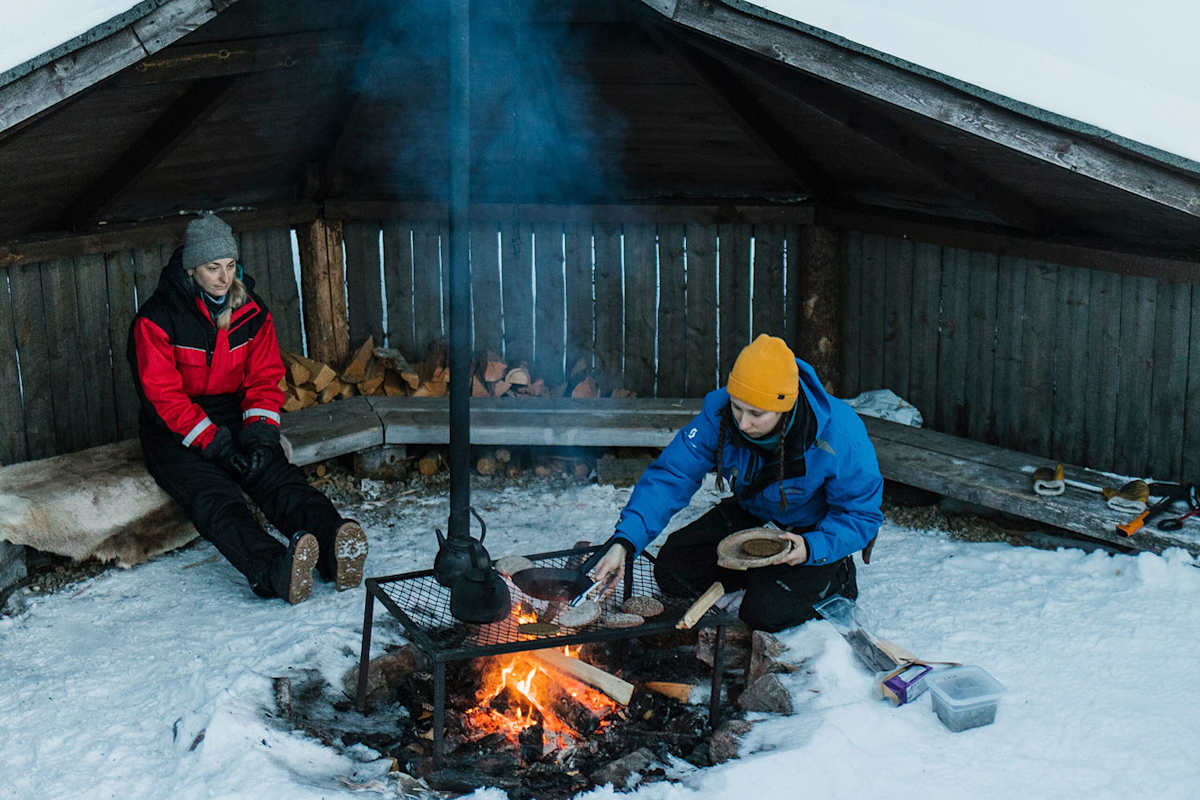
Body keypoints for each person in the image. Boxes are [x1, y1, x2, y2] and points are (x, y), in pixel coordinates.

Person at [128, 212, 368, 604]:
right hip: (173, 428)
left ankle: (333, 544)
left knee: (274, 474)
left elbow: (264, 377)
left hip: (233, 412)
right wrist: (215, 444)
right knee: (215, 498)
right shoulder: (156, 320)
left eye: (229, 266)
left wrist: (258, 433)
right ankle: (273, 570)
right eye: (212, 269)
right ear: (191, 271)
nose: (224, 278)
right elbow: (163, 397)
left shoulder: (251, 311)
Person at [589, 334, 883, 632]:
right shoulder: (719, 415)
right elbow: (672, 476)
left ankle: (836, 576)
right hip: (753, 514)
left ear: (785, 408)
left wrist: (813, 546)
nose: (743, 423)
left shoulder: (840, 433)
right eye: (737, 407)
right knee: (671, 569)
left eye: (757, 413)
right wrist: (625, 541)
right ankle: (762, 575)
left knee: (764, 612)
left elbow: (861, 514)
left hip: (810, 531)